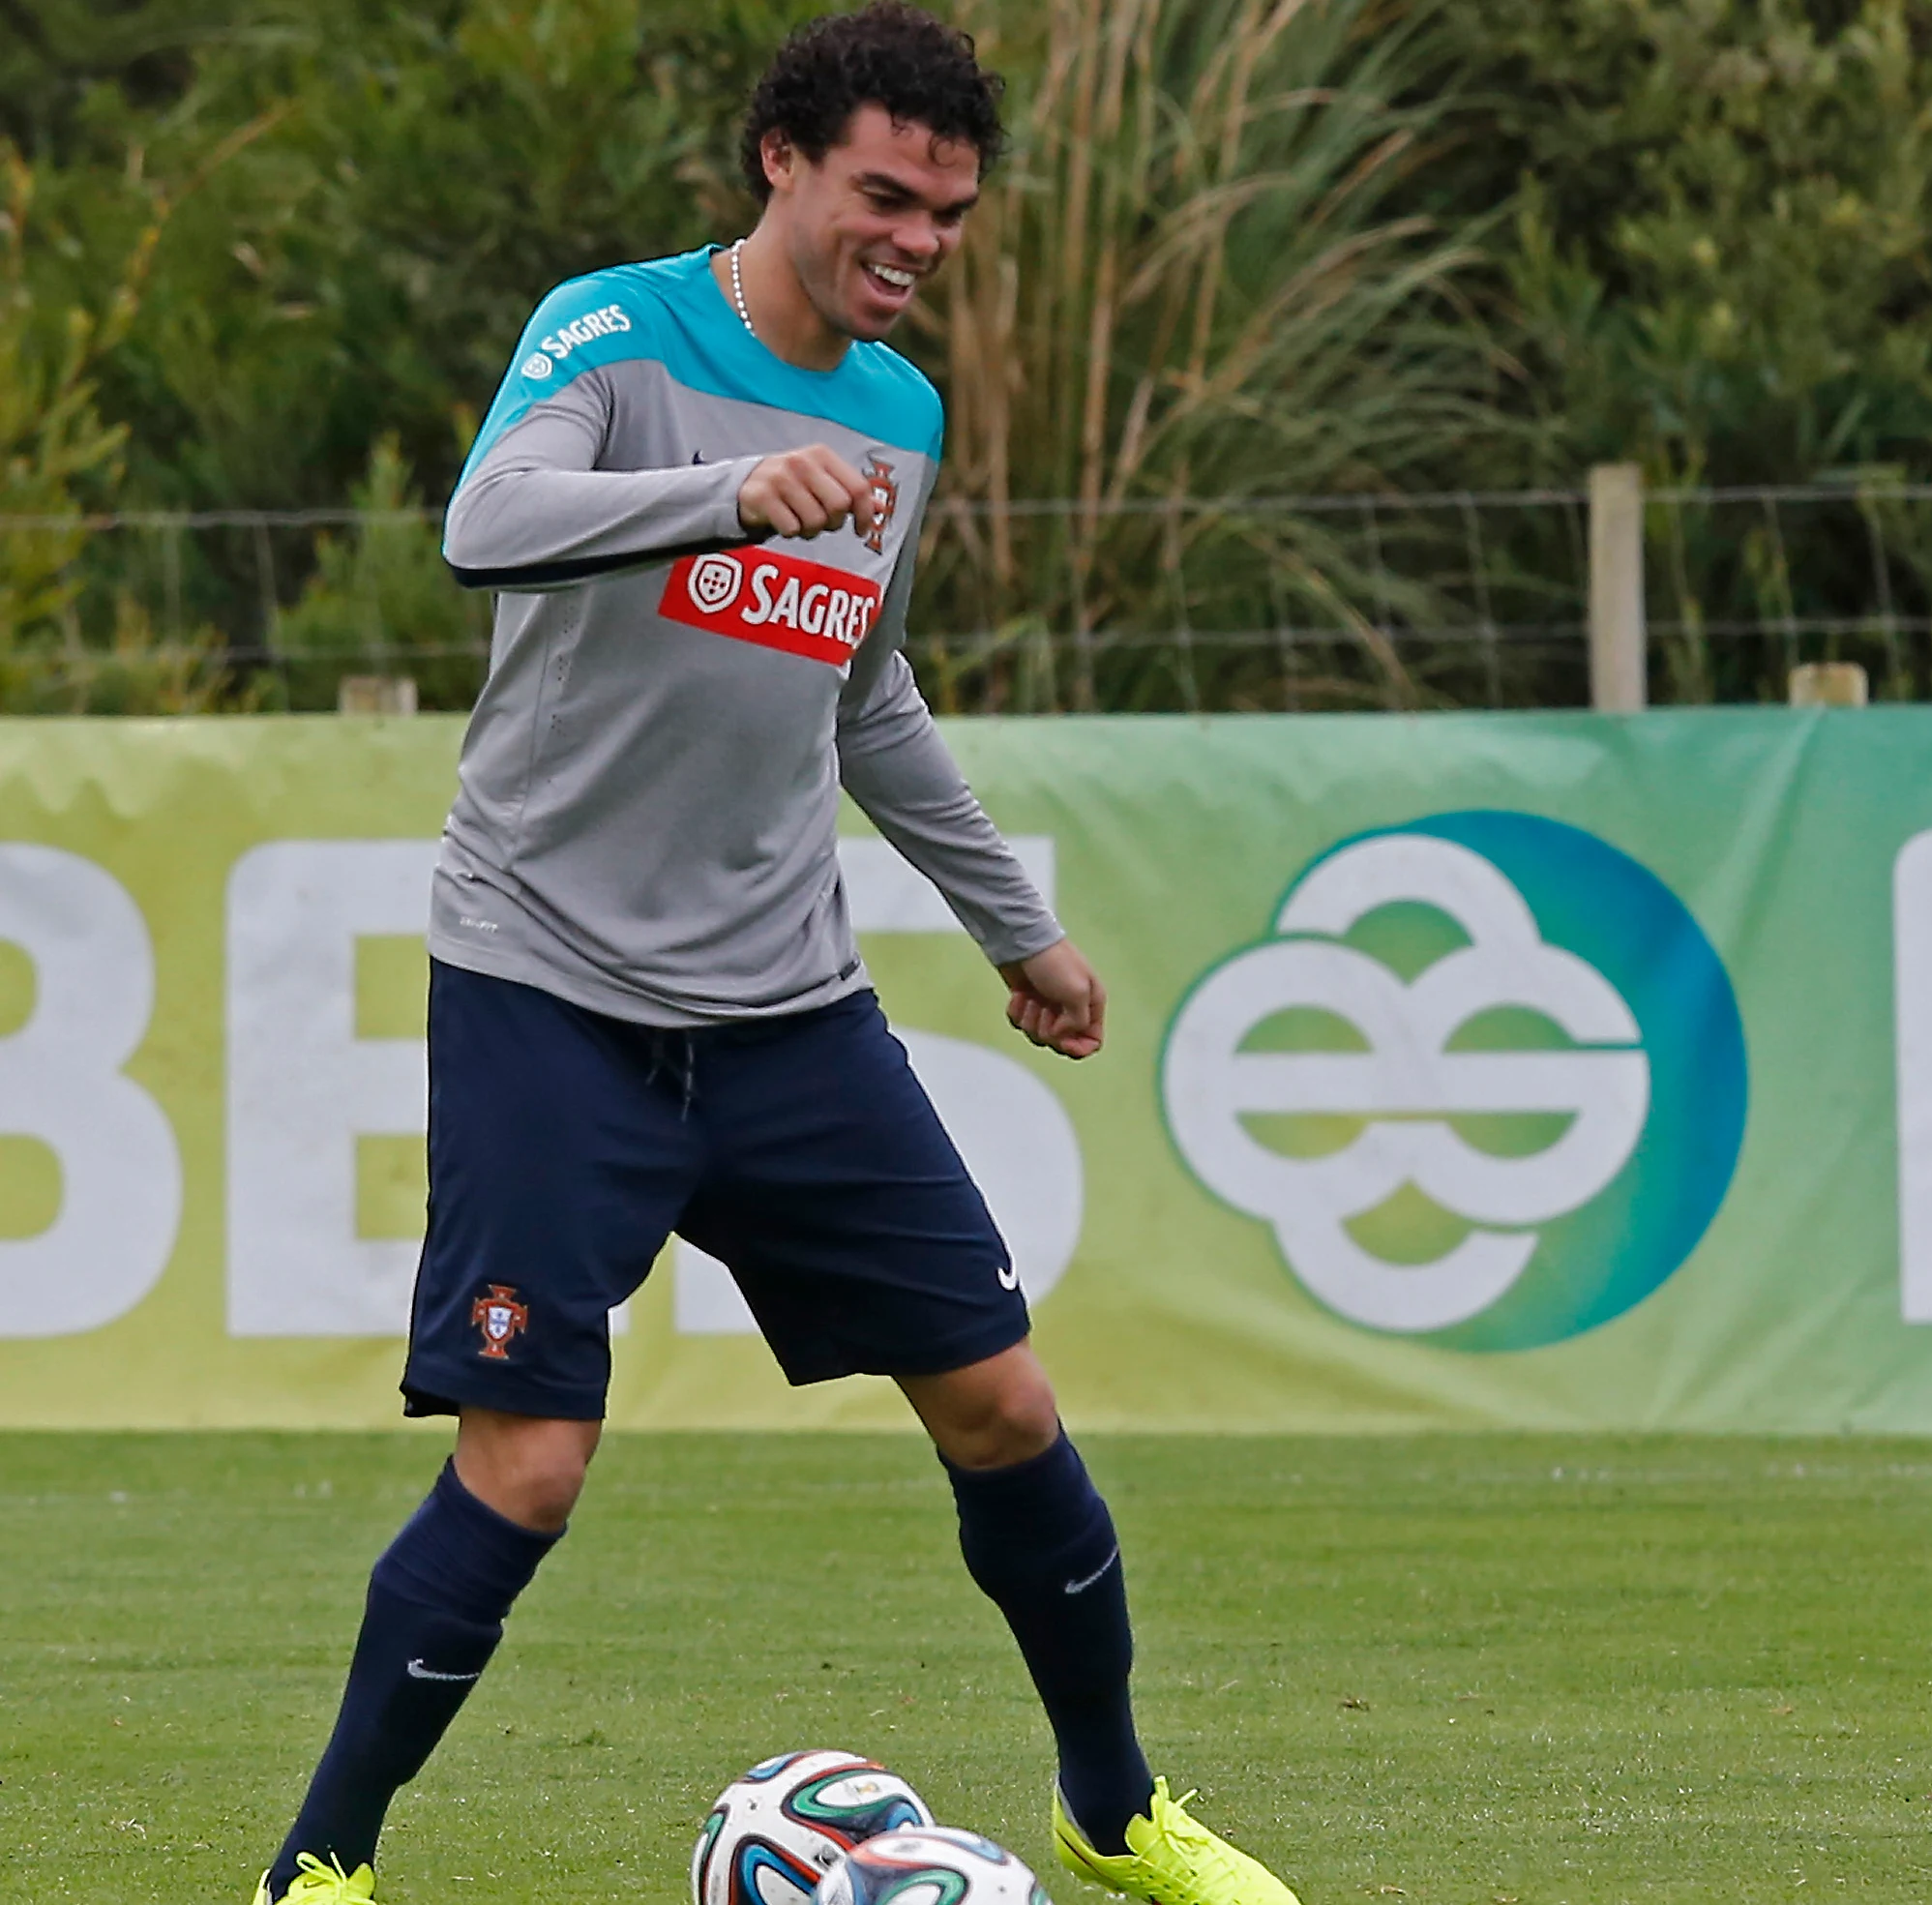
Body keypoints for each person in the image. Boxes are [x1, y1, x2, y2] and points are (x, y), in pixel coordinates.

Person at [248, 9, 1292, 1904]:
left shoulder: (899, 411)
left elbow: (860, 686)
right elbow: (486, 522)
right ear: (783, 164)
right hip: (545, 983)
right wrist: (719, 491)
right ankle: (321, 1866)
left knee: (1004, 1405)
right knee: (533, 1465)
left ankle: (1115, 1809)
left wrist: (1016, 924)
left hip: (785, 1005)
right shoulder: (617, 331)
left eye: (952, 214)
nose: (918, 243)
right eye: (885, 197)